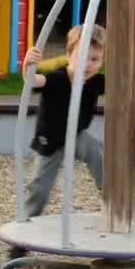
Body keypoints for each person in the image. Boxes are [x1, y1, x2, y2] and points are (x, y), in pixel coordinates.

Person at [23, 24, 106, 218]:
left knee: (97, 151)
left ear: (102, 61)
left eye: (94, 59)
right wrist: (28, 66)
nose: (87, 65)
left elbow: (127, 77)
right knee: (40, 189)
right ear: (69, 55)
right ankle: (27, 221)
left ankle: (109, 193)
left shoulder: (96, 81)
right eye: (82, 57)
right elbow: (33, 80)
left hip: (75, 135)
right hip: (50, 140)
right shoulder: (57, 78)